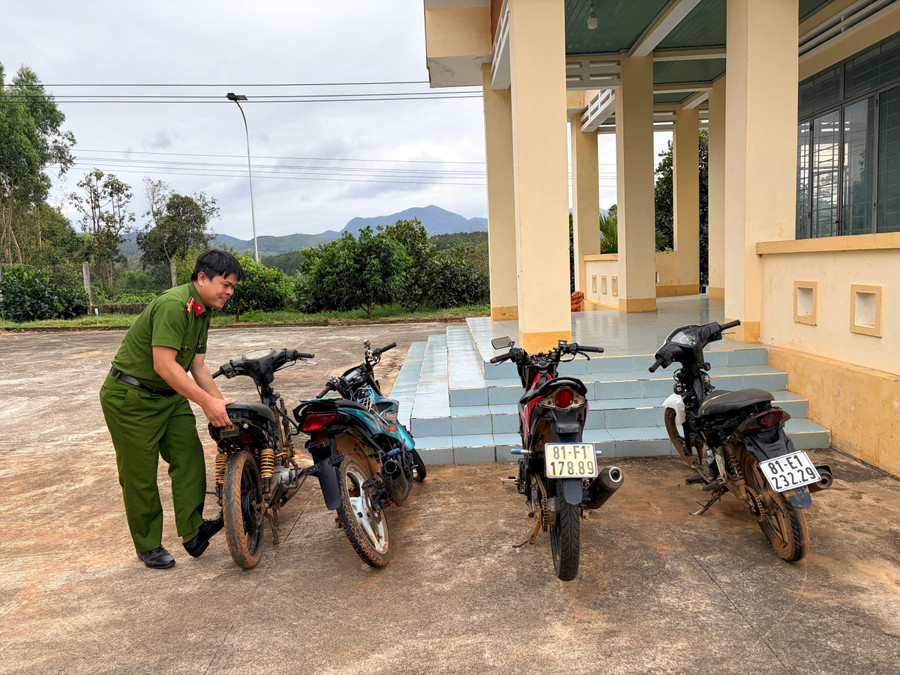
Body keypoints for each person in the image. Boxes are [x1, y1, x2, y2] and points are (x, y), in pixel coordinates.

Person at [99, 250, 242, 569]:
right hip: (130, 397)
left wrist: (221, 405)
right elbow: (164, 365)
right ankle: (148, 544)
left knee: (188, 457)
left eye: (233, 287)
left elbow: (198, 366)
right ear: (202, 278)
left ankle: (193, 532)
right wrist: (205, 402)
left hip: (169, 395)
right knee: (140, 474)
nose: (229, 292)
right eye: (225, 284)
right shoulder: (174, 305)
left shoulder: (202, 311)